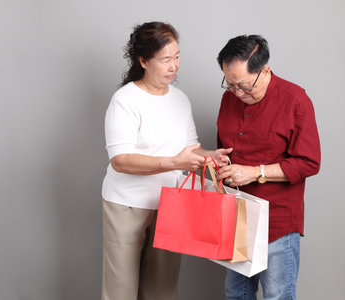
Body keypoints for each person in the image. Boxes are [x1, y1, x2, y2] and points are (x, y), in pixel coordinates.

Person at [101, 21, 231, 300]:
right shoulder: (125, 100)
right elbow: (120, 160)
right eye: (165, 60)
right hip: (126, 205)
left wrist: (210, 156)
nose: (174, 66)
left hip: (171, 203)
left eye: (177, 56)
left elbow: (189, 150)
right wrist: (175, 162)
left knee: (162, 290)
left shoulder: (180, 100)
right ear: (143, 61)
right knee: (120, 290)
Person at [215, 35, 321, 300]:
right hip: (237, 217)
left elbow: (309, 162)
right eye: (230, 85)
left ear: (265, 71)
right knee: (236, 294)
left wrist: (254, 171)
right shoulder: (230, 99)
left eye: (243, 86)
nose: (238, 93)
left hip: (278, 221)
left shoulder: (295, 100)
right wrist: (219, 162)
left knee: (277, 295)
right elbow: (226, 147)